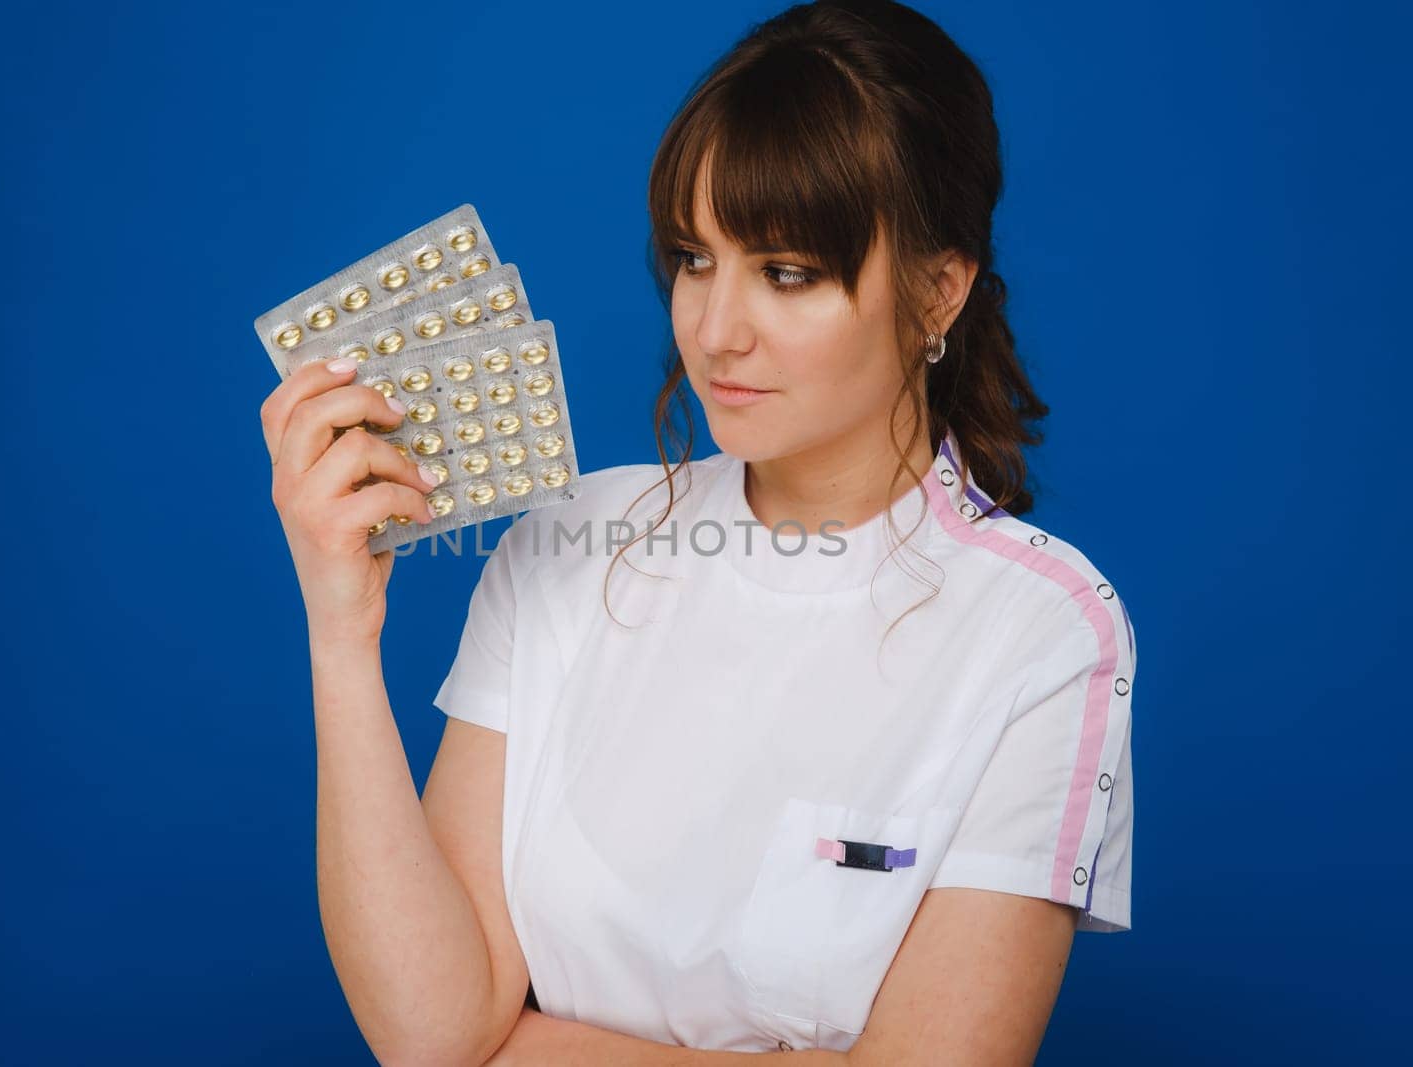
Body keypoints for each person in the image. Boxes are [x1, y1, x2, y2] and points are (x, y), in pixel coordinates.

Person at [260, 1, 1136, 1063]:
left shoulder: (1041, 630)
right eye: (693, 256)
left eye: (787, 272)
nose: (715, 329)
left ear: (937, 290)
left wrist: (528, 1045)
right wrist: (339, 632)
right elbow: (434, 1031)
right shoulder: (568, 540)